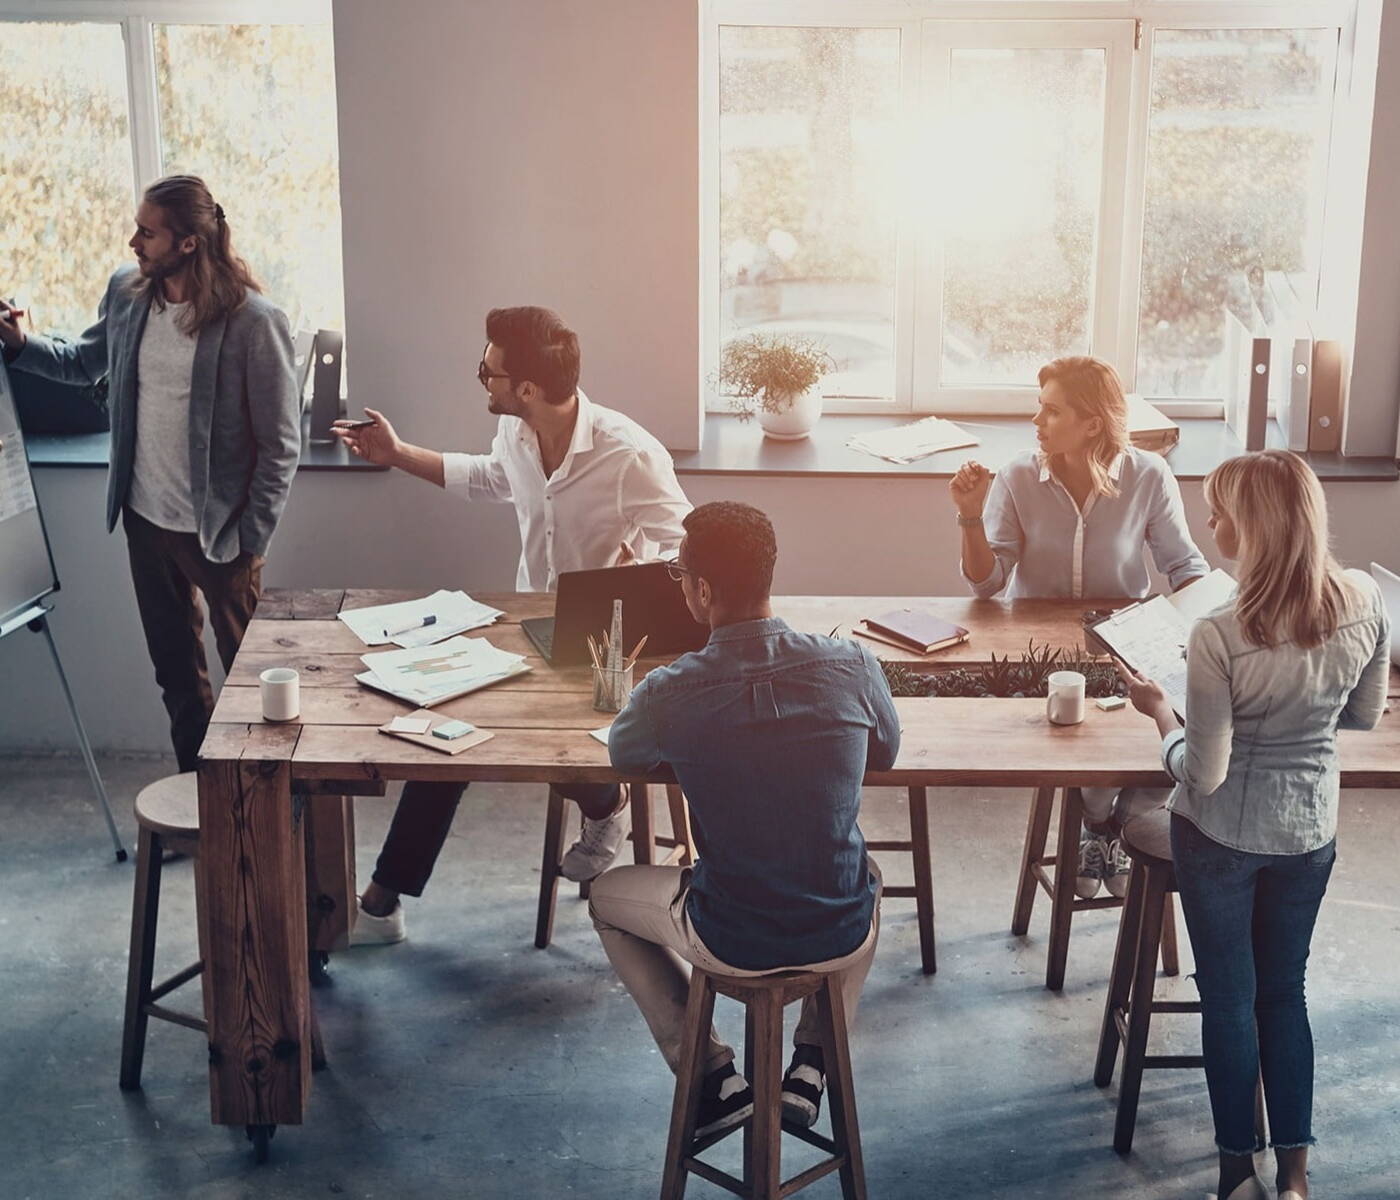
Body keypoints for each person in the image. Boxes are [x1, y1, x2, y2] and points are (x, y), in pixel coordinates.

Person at [332, 306, 690, 943]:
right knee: (446, 726)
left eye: (488, 373)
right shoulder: (519, 435)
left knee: (521, 733)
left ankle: (607, 805)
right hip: (531, 631)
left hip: (606, 653)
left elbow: (686, 548)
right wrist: (396, 453)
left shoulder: (627, 453)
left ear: (525, 388)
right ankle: (383, 907)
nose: (483, 381)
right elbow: (491, 478)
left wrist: (636, 579)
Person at [1117, 450, 1390, 1200]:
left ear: (1256, 525)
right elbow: (1363, 716)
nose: (1211, 525)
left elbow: (1201, 772)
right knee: (1285, 994)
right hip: (1309, 831)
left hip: (1221, 838)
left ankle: (1237, 1169)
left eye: (1220, 513)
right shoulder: (1366, 598)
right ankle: (1296, 1177)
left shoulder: (1219, 630)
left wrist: (1163, 715)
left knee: (1231, 1001)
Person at [591, 501, 899, 1136]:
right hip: (838, 929)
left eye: (680, 574)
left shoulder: (668, 691)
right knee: (861, 876)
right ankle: (812, 1061)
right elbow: (886, 750)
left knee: (603, 896)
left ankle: (709, 1075)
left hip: (731, 936)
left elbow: (625, 754)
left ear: (703, 590)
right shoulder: (853, 664)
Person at [0, 175, 300, 771]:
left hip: (221, 537)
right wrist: (20, 343)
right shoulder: (128, 292)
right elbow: (86, 363)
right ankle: (201, 806)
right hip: (145, 523)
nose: (134, 241)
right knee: (178, 680)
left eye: (148, 231)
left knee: (254, 688)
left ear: (188, 242)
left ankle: (269, 812)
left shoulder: (251, 321)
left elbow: (281, 444)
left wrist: (251, 537)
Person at [949, 355, 1208, 899]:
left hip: (1125, 640)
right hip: (1038, 648)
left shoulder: (1148, 475)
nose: (1037, 423)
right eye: (1038, 410)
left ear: (1092, 423)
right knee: (1086, 739)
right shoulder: (1019, 476)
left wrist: (1214, 626)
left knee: (1173, 719)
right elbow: (986, 583)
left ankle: (1113, 825)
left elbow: (1184, 567)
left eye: (1051, 412)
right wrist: (969, 516)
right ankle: (1098, 824)